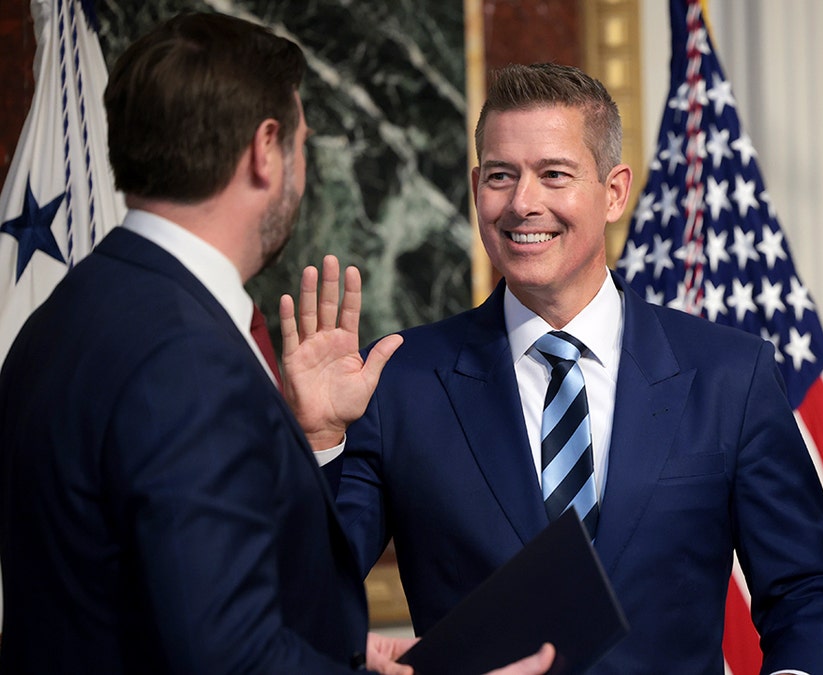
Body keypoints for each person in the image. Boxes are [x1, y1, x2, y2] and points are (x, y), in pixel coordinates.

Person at [0, 12, 550, 675]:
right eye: (302, 140)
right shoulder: (186, 357)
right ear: (266, 148)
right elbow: (227, 658)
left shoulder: (62, 315)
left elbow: (173, 601)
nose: (304, 163)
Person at [297, 63, 823, 674]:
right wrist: (322, 442)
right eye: (501, 176)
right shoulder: (400, 379)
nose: (522, 203)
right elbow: (314, 597)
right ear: (478, 186)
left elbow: (803, 591)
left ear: (614, 192)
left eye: (554, 175)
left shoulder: (729, 375)